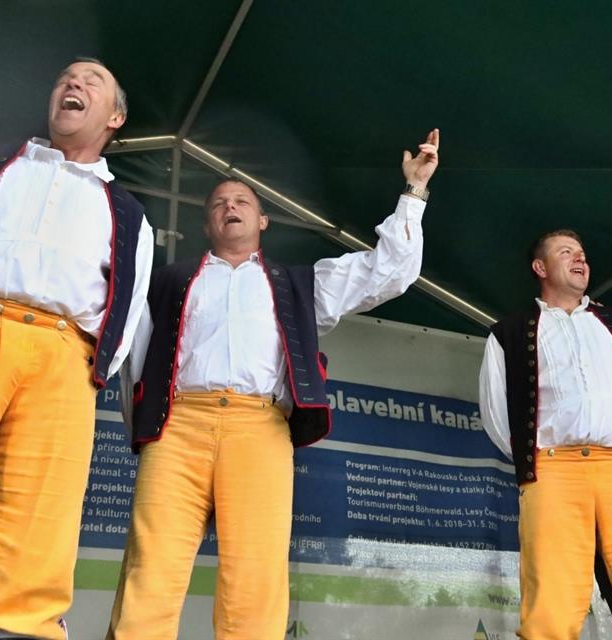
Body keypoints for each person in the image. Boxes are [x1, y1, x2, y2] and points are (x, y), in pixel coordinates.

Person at [106, 130, 439, 639]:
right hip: (178, 426)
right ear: (207, 223)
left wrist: (413, 192)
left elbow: (387, 272)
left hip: (259, 427)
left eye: (242, 201)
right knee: (151, 565)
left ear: (263, 220)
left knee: (255, 573)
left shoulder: (300, 283)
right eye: (219, 203)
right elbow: (137, 361)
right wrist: (150, 430)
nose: (230, 207)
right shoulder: (168, 281)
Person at [0, 59, 153, 640]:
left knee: (43, 517)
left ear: (115, 117)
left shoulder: (128, 213)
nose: (74, 83)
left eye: (93, 81)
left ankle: (23, 629)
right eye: (67, 77)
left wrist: (92, 369)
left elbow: (129, 299)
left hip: (66, 355)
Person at [478, 229, 612, 640]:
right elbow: (496, 412)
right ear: (540, 267)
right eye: (566, 252)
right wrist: (538, 459)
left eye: (582, 253)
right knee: (551, 604)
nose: (580, 259)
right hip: (553, 469)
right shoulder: (509, 332)